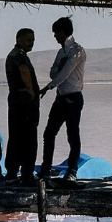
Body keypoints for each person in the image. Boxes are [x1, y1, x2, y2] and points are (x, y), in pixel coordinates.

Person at [39, 17, 87, 183]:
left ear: (63, 32)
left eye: (56, 33)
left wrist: (48, 87)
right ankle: (45, 170)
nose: (54, 36)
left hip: (73, 97)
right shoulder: (61, 53)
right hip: (61, 97)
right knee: (49, 133)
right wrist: (57, 72)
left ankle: (72, 171)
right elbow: (53, 72)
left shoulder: (77, 51)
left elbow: (65, 73)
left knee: (72, 135)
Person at [4, 28, 40, 184]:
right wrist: (31, 91)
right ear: (18, 39)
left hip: (17, 102)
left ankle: (12, 172)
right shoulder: (19, 57)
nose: (31, 43)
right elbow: (24, 72)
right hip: (24, 103)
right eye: (28, 39)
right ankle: (26, 173)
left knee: (16, 137)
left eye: (32, 39)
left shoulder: (14, 55)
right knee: (28, 139)